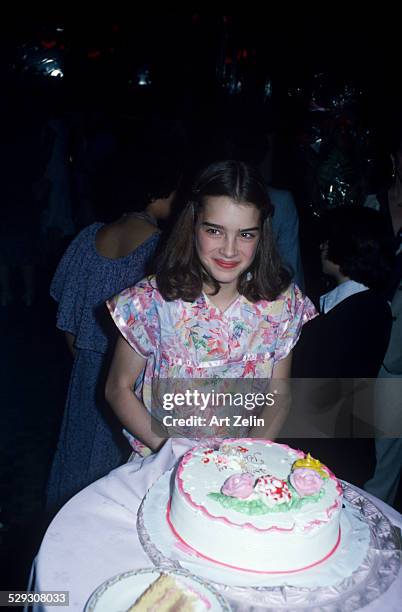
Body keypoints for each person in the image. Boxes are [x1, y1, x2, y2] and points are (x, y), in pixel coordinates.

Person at [105, 160, 316, 462]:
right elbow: (118, 387)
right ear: (193, 224)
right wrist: (173, 453)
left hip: (241, 466)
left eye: (246, 234)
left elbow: (279, 395)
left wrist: (243, 457)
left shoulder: (282, 304)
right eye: (215, 231)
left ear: (262, 234)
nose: (229, 250)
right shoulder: (151, 300)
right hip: (163, 464)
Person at [45, 153, 180, 514]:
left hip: (86, 370)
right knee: (120, 479)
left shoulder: (88, 236)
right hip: (134, 384)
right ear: (155, 193)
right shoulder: (163, 248)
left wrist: (87, 364)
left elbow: (67, 318)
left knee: (76, 463)